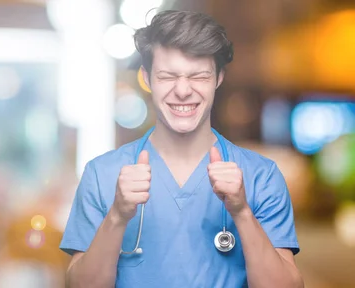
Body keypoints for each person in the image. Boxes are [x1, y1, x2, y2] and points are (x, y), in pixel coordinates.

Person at [59, 10, 303, 288]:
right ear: (147, 78)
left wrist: (242, 212)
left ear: (219, 78)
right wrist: (117, 215)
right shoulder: (102, 174)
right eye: (167, 76)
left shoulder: (262, 176)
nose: (183, 91)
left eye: (198, 76)